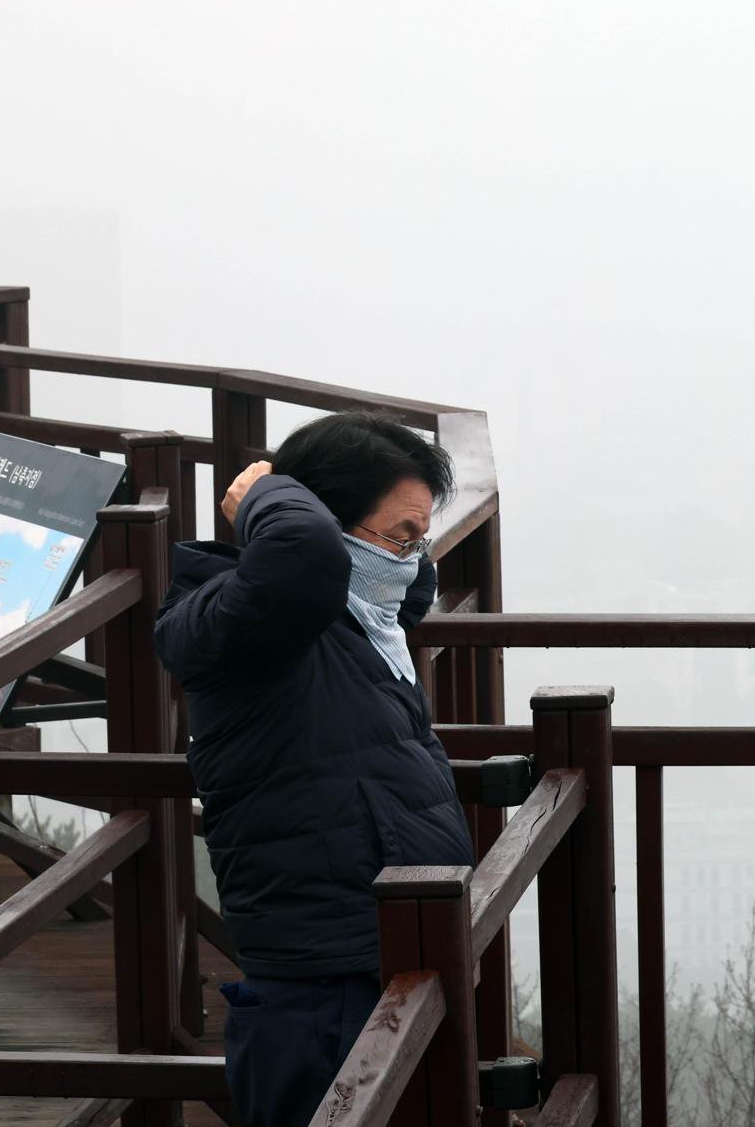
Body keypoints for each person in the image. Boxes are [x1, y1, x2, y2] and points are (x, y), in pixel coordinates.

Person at [153, 409, 477, 1127]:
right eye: (400, 537)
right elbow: (303, 555)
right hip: (321, 989)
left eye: (420, 540)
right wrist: (268, 490)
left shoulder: (367, 621)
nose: (412, 560)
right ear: (322, 521)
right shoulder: (248, 623)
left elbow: (379, 576)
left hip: (391, 961)